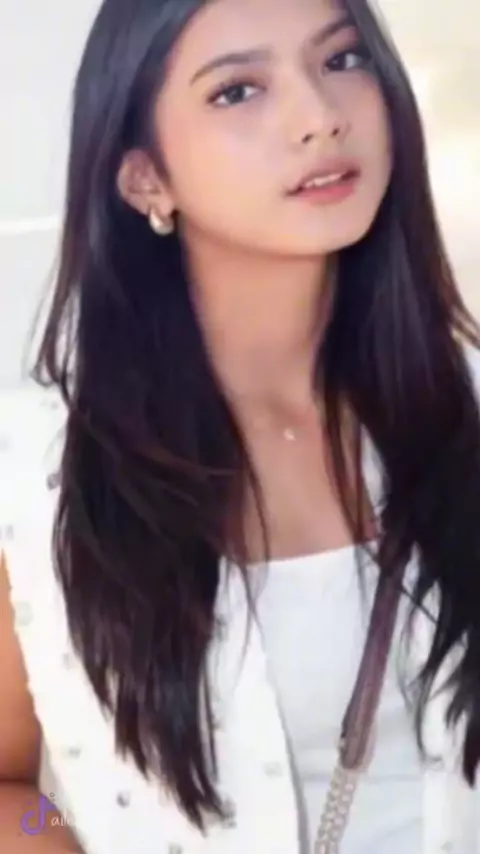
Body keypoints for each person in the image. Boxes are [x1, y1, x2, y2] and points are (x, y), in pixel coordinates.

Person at [1, 0, 480, 851]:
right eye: (237, 91)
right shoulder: (35, 469)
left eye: (341, 60)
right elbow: (12, 790)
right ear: (145, 178)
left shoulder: (463, 405)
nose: (319, 116)